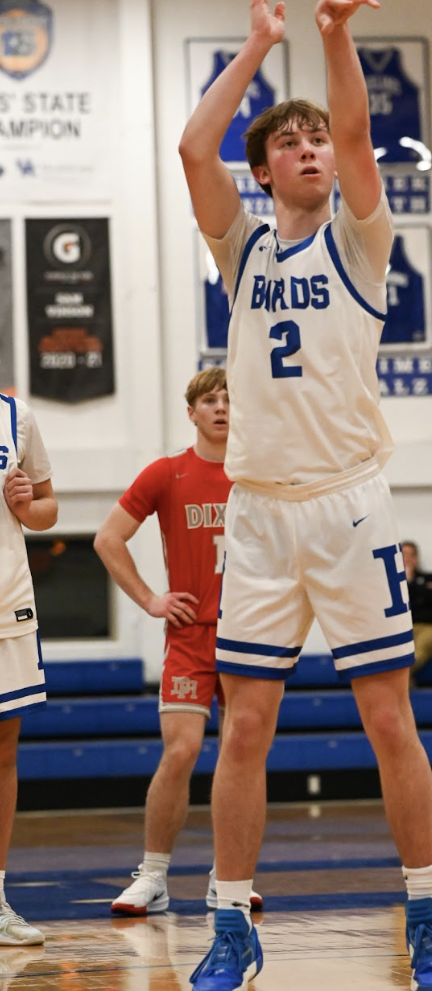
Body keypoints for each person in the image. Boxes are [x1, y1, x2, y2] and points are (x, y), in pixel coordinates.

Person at [178, 0, 432, 990]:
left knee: (389, 719)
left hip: (348, 500)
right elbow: (190, 148)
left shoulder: (359, 238)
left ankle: (426, 911)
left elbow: (354, 134)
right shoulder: (240, 247)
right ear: (263, 170)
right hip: (257, 511)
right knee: (245, 726)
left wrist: (333, 37)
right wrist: (256, 47)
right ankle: (229, 924)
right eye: (289, 143)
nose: (310, 150)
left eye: (315, 142)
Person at [94, 368, 261, 916]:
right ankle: (154, 875)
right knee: (182, 750)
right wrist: (149, 599)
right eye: (209, 400)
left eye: (229, 400)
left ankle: (227, 878)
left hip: (249, 635)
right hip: (190, 636)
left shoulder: (259, 474)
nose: (220, 408)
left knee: (242, 756)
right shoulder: (167, 474)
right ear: (191, 412)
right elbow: (108, 538)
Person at [0, 394, 57, 946]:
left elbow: (47, 509)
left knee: (3, 753)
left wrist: (24, 505)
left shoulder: (15, 415)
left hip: (6, 606)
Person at [401, 541, 432, 677]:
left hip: (430, 628)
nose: (407, 559)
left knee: (419, 648)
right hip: (404, 629)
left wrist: (410, 584)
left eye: (411, 555)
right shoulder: (391, 585)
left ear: (417, 558)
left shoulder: (431, 578)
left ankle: (402, 677)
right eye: (404, 555)